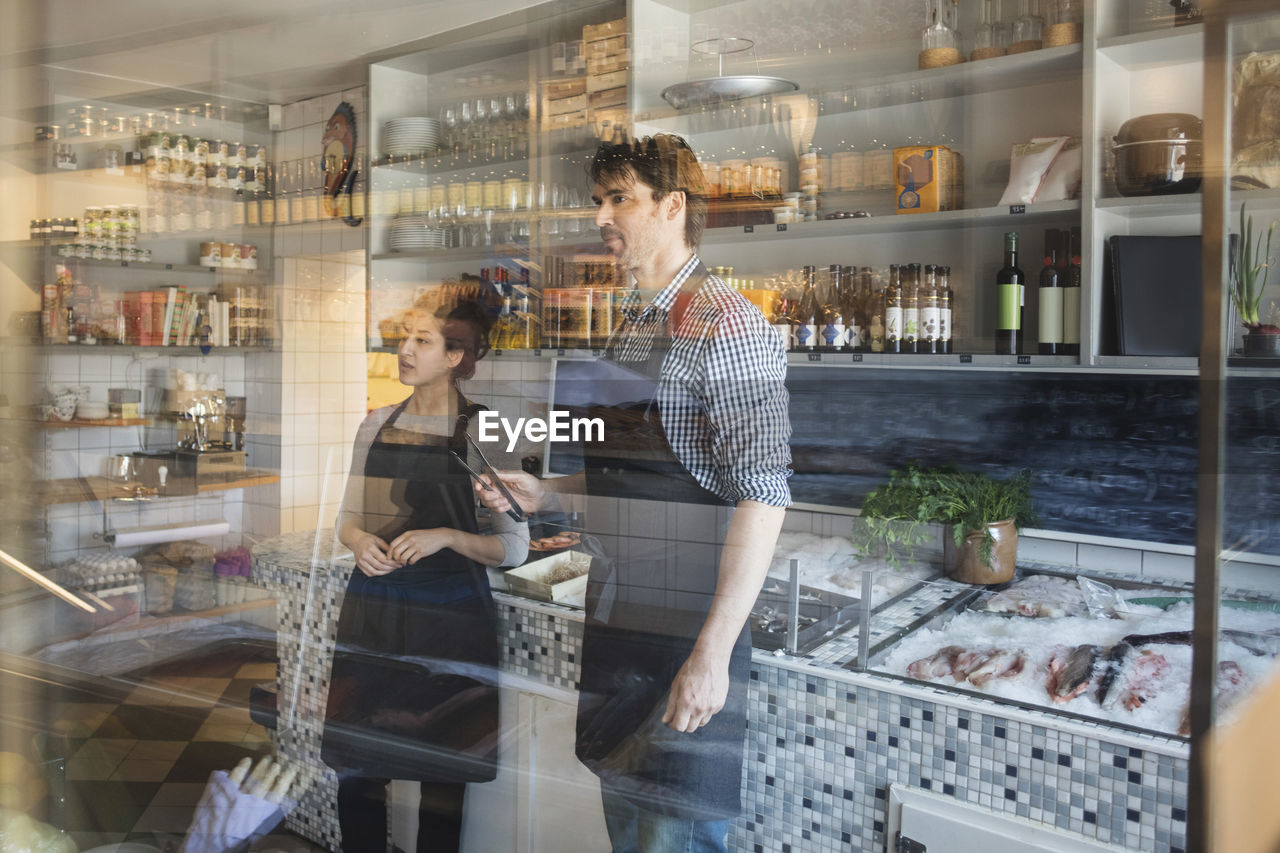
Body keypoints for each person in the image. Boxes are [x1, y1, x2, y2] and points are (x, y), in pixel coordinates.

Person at [476, 133, 791, 853]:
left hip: (685, 628)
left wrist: (710, 655)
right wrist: (545, 492)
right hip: (620, 623)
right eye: (598, 200)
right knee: (625, 829)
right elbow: (626, 484)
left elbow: (764, 495)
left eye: (620, 198)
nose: (600, 217)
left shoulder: (729, 324)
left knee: (672, 837)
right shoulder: (634, 323)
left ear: (672, 206)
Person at [323, 287, 528, 853]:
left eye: (422, 340)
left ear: (456, 356)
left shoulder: (485, 431)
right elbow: (348, 518)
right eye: (402, 339)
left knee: (443, 776)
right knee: (358, 773)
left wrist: (445, 536)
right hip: (375, 611)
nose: (404, 351)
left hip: (449, 619)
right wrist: (359, 540)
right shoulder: (375, 424)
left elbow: (512, 546)